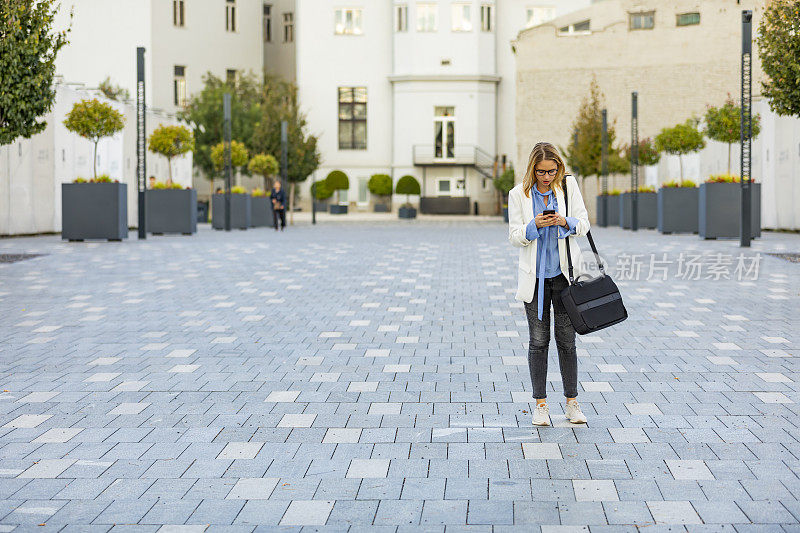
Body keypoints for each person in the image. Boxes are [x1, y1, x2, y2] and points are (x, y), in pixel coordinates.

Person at [507, 141, 591, 426]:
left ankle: (571, 403)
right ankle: (541, 405)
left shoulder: (567, 188)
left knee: (567, 341)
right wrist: (535, 226)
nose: (547, 177)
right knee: (538, 341)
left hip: (564, 278)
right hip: (535, 280)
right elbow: (514, 235)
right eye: (542, 172)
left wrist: (563, 220)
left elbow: (583, 224)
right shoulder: (518, 194)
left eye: (552, 171)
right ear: (533, 168)